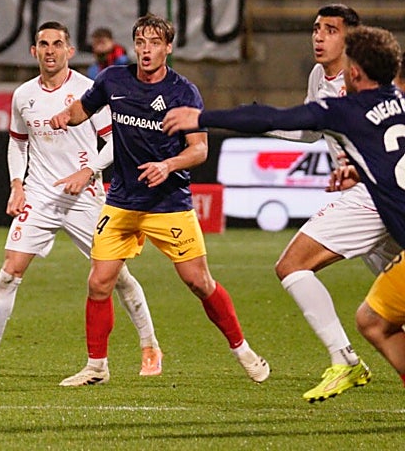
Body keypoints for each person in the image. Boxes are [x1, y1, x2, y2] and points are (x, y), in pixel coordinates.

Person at [164, 26, 405, 391]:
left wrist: (201, 118)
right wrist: (362, 172)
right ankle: (345, 360)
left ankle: (344, 360)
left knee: (372, 321)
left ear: (355, 72)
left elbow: (271, 119)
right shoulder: (401, 102)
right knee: (373, 321)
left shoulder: (346, 111)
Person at [51, 14, 269, 386]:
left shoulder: (183, 92)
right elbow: (82, 109)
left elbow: (199, 150)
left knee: (199, 282)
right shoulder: (113, 80)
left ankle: (243, 350)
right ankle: (97, 367)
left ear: (168, 47)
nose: (146, 49)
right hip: (122, 201)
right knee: (99, 282)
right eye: (140, 41)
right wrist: (63, 116)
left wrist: (168, 165)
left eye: (154, 43)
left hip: (168, 204)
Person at [0, 22, 162, 378]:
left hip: (85, 195)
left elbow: (116, 141)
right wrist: (16, 185)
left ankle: (150, 346)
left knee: (117, 276)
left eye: (57, 44)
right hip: (39, 194)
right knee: (10, 272)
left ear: (70, 51)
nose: (50, 50)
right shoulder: (23, 95)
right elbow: (18, 142)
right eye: (43, 44)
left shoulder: (90, 91)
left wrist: (90, 172)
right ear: (33, 52)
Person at [260, 5, 399, 402]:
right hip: (371, 196)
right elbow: (311, 131)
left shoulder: (370, 80)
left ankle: (345, 360)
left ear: (351, 39)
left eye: (330, 30)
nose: (318, 37)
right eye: (316, 29)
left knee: (291, 265)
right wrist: (265, 123)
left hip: (371, 195)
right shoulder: (319, 76)